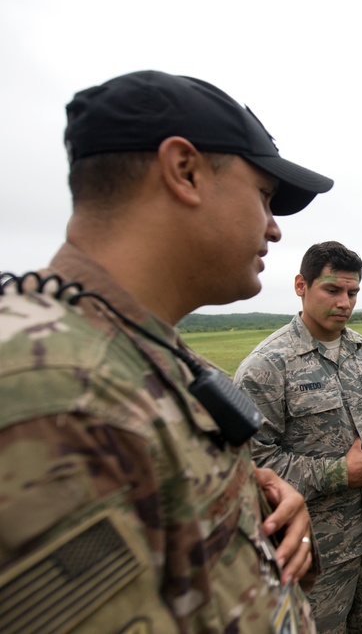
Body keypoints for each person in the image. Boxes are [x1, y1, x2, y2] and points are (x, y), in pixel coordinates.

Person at [0, 70, 330, 631]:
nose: (274, 230)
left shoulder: (145, 351)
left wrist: (255, 513)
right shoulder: (58, 391)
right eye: (264, 196)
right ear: (184, 171)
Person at [235, 241, 362, 632]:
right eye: (333, 290)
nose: (345, 302)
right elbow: (250, 466)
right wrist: (340, 472)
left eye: (353, 292)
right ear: (301, 285)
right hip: (316, 552)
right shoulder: (267, 367)